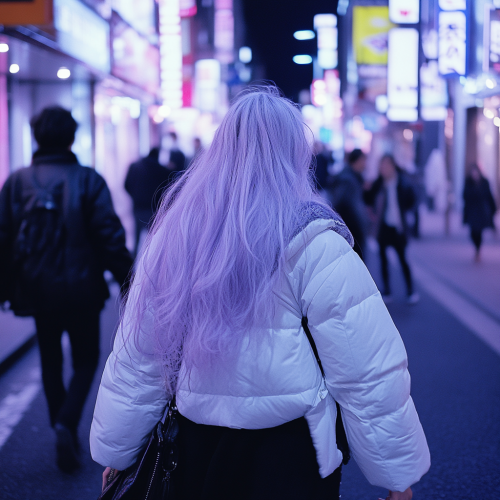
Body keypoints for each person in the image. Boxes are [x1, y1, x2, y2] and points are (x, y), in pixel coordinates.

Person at [90, 89, 430, 500]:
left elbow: (139, 357)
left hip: (195, 446)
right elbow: (366, 370)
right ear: (294, 155)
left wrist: (118, 452)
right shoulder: (314, 240)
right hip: (290, 453)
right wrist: (397, 474)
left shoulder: (175, 237)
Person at [0, 106, 133, 473]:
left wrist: (4, 288)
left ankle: (61, 421)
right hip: (82, 289)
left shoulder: (16, 182)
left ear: (37, 136)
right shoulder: (88, 180)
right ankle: (68, 422)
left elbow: (3, 239)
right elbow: (109, 238)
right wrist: (131, 281)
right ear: (72, 137)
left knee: (50, 359)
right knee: (87, 358)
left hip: (36, 289)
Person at [365, 154, 419, 304]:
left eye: (387, 165)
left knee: (403, 259)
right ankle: (387, 290)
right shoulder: (379, 183)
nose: (384, 169)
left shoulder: (403, 182)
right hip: (384, 227)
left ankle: (410, 290)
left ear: (393, 166)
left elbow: (413, 200)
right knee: (383, 260)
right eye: (382, 166)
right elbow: (367, 198)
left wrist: (409, 216)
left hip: (398, 227)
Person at [125, 147, 171, 256]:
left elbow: (126, 184)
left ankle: (131, 266)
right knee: (153, 238)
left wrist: (135, 196)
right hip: (153, 208)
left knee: (136, 237)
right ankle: (151, 262)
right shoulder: (160, 169)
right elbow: (166, 187)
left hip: (138, 206)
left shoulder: (135, 166)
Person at [330, 148, 368, 260]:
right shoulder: (347, 180)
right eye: (363, 160)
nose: (365, 164)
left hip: (352, 230)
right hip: (352, 231)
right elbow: (341, 205)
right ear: (356, 161)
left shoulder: (353, 177)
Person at [462, 164, 497, 262]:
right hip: (472, 211)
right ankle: (476, 248)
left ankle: (478, 250)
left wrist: (493, 209)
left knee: (479, 232)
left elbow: (489, 196)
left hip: (481, 211)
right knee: (473, 232)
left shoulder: (485, 182)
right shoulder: (468, 182)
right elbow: (464, 195)